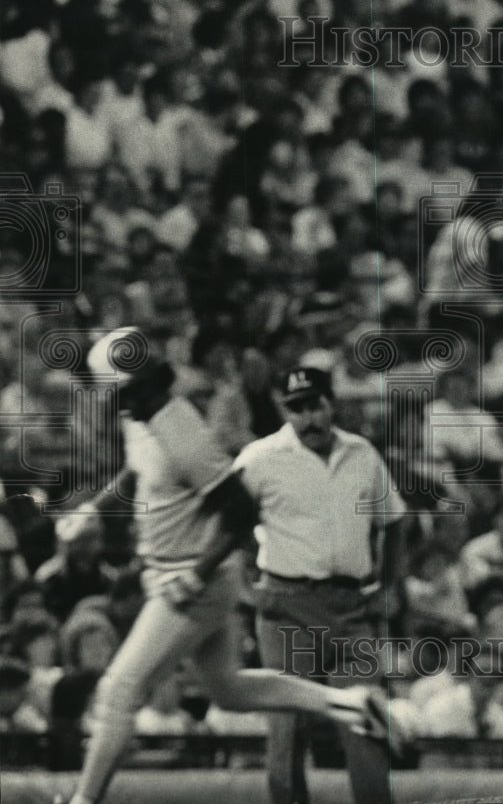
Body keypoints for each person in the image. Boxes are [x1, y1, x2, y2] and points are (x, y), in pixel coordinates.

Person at [65, 331, 391, 804]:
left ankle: (82, 802)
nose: (118, 403)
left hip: (191, 578)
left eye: (120, 392)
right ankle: (348, 701)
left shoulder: (184, 433)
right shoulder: (142, 420)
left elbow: (239, 511)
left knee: (119, 689)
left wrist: (197, 573)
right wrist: (94, 509)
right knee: (230, 690)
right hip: (177, 573)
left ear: (137, 386)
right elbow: (137, 470)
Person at [233, 365, 408, 804]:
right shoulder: (260, 457)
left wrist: (390, 583)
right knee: (288, 726)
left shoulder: (362, 453)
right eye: (297, 409)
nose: (308, 417)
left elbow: (395, 521)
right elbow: (224, 524)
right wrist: (242, 583)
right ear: (284, 411)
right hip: (287, 600)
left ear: (333, 403)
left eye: (315, 405)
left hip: (350, 603)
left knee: (364, 720)